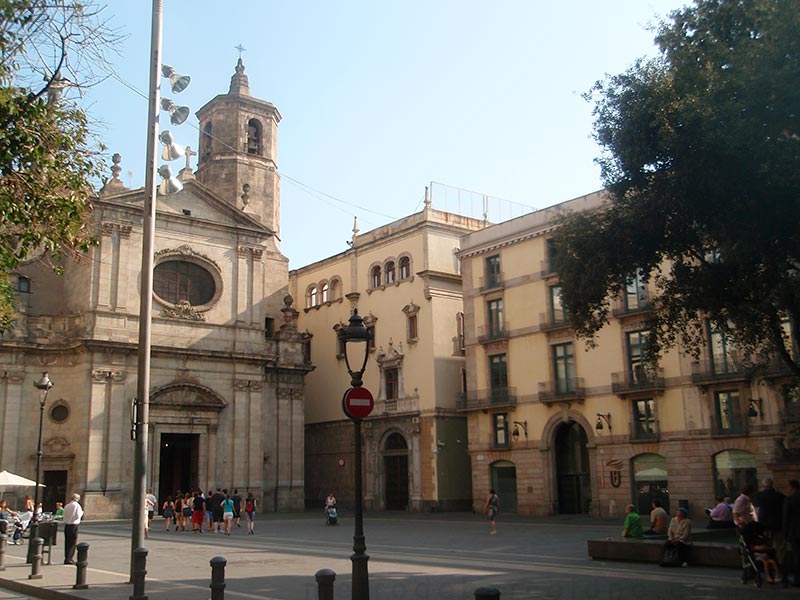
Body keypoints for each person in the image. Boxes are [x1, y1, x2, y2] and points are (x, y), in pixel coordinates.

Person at [754, 477, 785, 563]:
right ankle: (780, 564)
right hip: (778, 524)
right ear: (772, 485)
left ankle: (768, 564)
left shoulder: (758, 496)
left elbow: (757, 510)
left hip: (764, 524)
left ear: (763, 485)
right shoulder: (780, 496)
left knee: (766, 546)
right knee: (780, 546)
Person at [783, 479, 800, 587]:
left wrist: (785, 533)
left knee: (797, 556)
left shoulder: (790, 499)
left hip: (795, 533)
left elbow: (786, 518)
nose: (787, 489)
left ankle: (798, 579)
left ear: (792, 487)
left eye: (788, 487)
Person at [62, 493, 84, 564]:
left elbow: (64, 515)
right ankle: (70, 558)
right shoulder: (77, 506)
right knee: (72, 543)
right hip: (74, 525)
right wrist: (82, 513)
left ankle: (66, 557)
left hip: (67, 525)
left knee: (67, 542)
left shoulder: (67, 505)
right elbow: (78, 515)